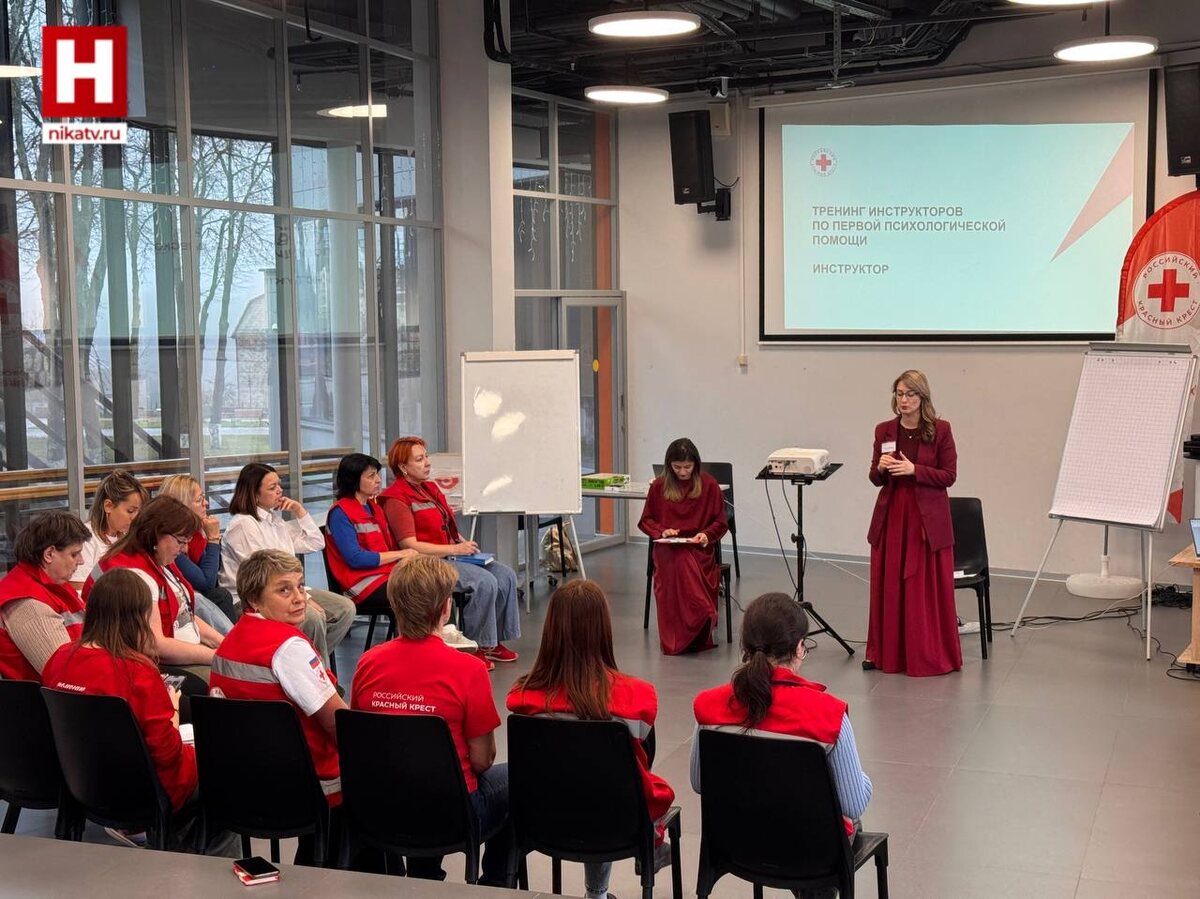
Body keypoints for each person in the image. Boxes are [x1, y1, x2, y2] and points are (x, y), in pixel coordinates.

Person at [43, 568, 234, 855]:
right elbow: (167, 756)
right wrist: (172, 712)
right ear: (139, 618)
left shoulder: (59, 658)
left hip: (81, 783)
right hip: (146, 791)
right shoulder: (137, 672)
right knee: (227, 769)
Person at [351, 556, 512, 886]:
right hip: (452, 815)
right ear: (445, 608)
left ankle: (423, 877)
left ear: (395, 604)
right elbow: (482, 760)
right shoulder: (469, 669)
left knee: (414, 777)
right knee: (517, 777)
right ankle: (496, 885)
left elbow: (366, 742)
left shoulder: (367, 663)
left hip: (380, 808)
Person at [507, 580, 674, 899]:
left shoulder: (523, 697)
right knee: (609, 783)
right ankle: (602, 888)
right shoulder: (636, 698)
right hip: (617, 822)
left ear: (551, 630)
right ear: (603, 630)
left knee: (579, 781)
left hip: (544, 819)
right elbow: (644, 758)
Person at [692, 593, 872, 847]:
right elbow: (853, 804)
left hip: (737, 845)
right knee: (852, 820)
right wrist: (862, 780)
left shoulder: (708, 707)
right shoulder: (830, 715)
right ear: (799, 647)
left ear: (745, 647)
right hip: (808, 850)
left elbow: (700, 783)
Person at [210, 549, 346, 854]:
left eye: (300, 586)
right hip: (307, 786)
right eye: (284, 590)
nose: (299, 598)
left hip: (244, 782)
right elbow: (339, 724)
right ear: (254, 600)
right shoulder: (289, 648)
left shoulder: (228, 643)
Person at [379, 436, 520, 669]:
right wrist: (455, 549)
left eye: (426, 457)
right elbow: (410, 545)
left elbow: (447, 526)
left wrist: (464, 543)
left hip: (451, 554)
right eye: (419, 459)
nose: (427, 463)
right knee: (484, 582)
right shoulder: (395, 498)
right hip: (426, 563)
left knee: (506, 575)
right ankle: (475, 645)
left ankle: (493, 642)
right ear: (403, 467)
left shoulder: (430, 488)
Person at [866, 369, 962, 677]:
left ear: (923, 398)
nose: (904, 400)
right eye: (899, 394)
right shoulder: (884, 430)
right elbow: (875, 478)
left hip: (926, 521)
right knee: (891, 587)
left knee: (921, 589)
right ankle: (889, 654)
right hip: (893, 516)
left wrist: (915, 470)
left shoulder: (941, 430)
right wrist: (881, 469)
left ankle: (926, 654)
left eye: (910, 394)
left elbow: (949, 476)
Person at [220, 463, 355, 671]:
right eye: (272, 487)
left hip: (285, 590)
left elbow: (316, 542)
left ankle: (304, 665)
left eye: (279, 485)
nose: (280, 491)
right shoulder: (243, 525)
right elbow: (266, 575)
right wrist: (304, 599)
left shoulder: (274, 520)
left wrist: (299, 511)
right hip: (253, 599)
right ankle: (316, 673)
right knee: (312, 618)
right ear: (255, 495)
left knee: (345, 609)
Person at [87, 495, 224, 679]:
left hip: (179, 652)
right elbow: (153, 645)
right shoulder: (132, 575)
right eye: (181, 541)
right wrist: (218, 657)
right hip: (153, 664)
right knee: (227, 680)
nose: (185, 549)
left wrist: (225, 645)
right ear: (157, 534)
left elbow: (183, 615)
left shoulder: (158, 558)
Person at [637, 438, 728, 655]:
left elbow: (720, 522)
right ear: (669, 465)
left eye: (687, 467)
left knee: (684, 559)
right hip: (668, 548)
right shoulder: (659, 486)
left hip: (698, 548)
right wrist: (662, 531)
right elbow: (646, 520)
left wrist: (706, 535)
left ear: (696, 464)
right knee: (677, 559)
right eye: (677, 467)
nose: (683, 472)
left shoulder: (709, 485)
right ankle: (695, 620)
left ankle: (700, 620)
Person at [0, 511, 90, 682]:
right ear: (49, 554)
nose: (81, 561)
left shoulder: (53, 584)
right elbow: (65, 675)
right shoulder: (28, 603)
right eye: (74, 554)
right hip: (47, 698)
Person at [324, 452, 416, 613]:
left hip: (386, 574)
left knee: (436, 583)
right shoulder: (340, 513)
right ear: (353, 480)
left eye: (377, 474)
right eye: (371, 476)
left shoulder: (375, 508)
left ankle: (443, 630)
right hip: (361, 584)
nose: (378, 480)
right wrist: (401, 554)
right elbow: (355, 558)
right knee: (422, 592)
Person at [157, 475, 237, 636]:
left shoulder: (197, 534)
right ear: (182, 506)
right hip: (178, 606)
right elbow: (206, 582)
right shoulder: (168, 540)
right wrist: (213, 539)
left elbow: (213, 578)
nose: (206, 503)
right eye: (199, 500)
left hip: (196, 601)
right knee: (220, 596)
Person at [70, 469, 148, 592]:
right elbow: (79, 589)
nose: (135, 518)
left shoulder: (128, 536)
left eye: (139, 512)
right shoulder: (87, 539)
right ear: (108, 506)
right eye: (130, 511)